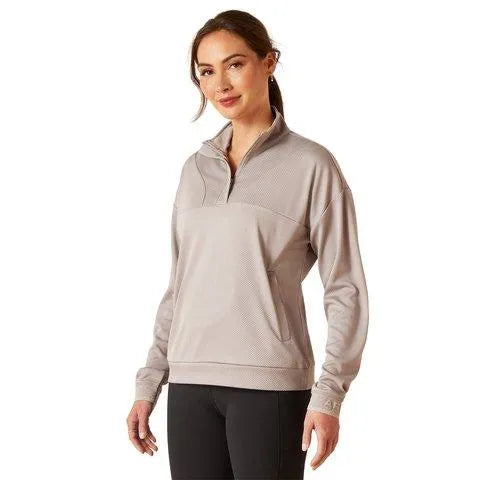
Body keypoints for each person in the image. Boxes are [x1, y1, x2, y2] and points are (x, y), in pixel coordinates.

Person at [126, 9, 369, 479]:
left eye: (234, 64)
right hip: (190, 385)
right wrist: (149, 382)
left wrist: (329, 394)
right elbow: (180, 287)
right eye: (206, 71)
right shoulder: (194, 170)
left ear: (269, 62)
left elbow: (346, 289)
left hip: (270, 387)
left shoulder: (312, 166)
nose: (221, 84)